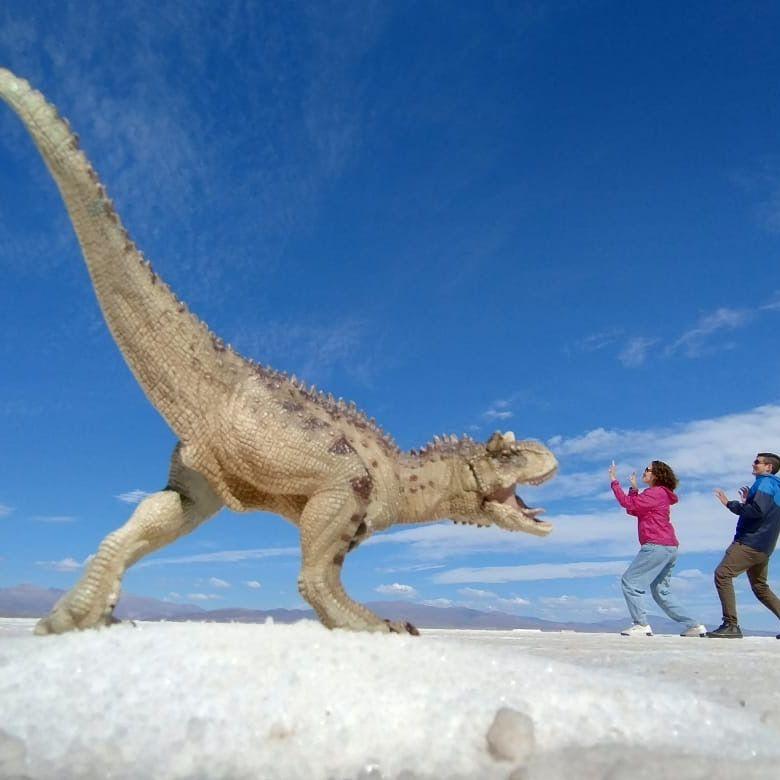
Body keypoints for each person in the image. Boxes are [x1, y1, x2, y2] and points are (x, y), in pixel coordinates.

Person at [608, 460, 706, 637]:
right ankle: (694, 626)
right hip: (668, 547)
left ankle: (641, 624)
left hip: (656, 545)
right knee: (661, 591)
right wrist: (633, 489)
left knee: (630, 582)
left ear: (657, 475)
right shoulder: (658, 494)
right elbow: (634, 510)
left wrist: (614, 481)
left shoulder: (656, 492)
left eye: (648, 469)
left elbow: (629, 505)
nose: (644, 471)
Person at [709, 452, 780, 639]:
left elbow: (756, 511)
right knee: (760, 587)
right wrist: (749, 500)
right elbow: (764, 512)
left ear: (768, 468)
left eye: (757, 462)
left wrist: (729, 504)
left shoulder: (765, 483)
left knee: (722, 574)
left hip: (750, 543)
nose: (753, 464)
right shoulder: (776, 487)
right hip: (765, 546)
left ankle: (731, 625)